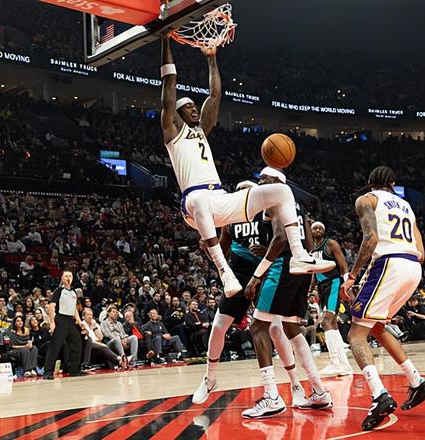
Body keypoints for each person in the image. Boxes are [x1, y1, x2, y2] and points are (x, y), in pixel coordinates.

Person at [159, 35, 334, 297]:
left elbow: (215, 95)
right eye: (188, 107)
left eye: (195, 106)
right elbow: (169, 85)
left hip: (220, 199)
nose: (194, 110)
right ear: (177, 114)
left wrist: (211, 59)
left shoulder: (201, 131)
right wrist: (165, 40)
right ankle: (224, 272)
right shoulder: (172, 132)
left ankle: (299, 256)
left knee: (282, 191)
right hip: (193, 205)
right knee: (200, 200)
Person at [340, 166, 425, 431]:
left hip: (388, 263)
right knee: (377, 326)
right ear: (393, 183)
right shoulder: (407, 206)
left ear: (369, 182)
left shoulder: (367, 199)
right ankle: (418, 382)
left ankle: (379, 395)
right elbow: (421, 253)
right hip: (412, 268)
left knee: (356, 335)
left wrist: (352, 276)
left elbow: (370, 238)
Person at [241, 168, 333, 419]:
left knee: (257, 327)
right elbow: (308, 244)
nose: (261, 182)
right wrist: (309, 272)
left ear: (277, 182)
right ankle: (319, 390)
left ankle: (271, 396)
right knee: (291, 328)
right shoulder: (297, 206)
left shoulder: (274, 198)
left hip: (282, 268)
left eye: (264, 179)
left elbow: (281, 238)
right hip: (300, 270)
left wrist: (257, 275)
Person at [192, 180, 272, 404]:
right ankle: (210, 379)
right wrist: (208, 248)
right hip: (240, 277)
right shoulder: (230, 222)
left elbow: (281, 246)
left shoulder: (267, 215)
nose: (242, 196)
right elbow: (221, 253)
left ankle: (294, 384)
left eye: (246, 192)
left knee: (277, 329)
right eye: (239, 192)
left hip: (266, 275)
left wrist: (266, 251)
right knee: (218, 326)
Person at [310, 221, 353, 376]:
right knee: (332, 323)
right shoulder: (311, 250)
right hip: (321, 287)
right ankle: (344, 365)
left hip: (333, 283)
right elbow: (313, 271)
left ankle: (334, 361)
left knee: (326, 321)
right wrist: (311, 287)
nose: (317, 229)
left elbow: (343, 264)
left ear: (324, 231)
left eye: (320, 227)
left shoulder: (330, 244)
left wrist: (347, 283)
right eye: (315, 228)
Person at [43, 271, 83, 379]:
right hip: (60, 319)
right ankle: (48, 371)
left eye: (70, 276)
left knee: (77, 343)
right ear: (62, 278)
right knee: (55, 345)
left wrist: (80, 322)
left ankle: (74, 370)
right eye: (66, 276)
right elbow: (51, 307)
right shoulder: (59, 291)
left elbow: (74, 309)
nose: (68, 278)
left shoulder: (74, 292)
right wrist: (52, 322)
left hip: (70, 321)